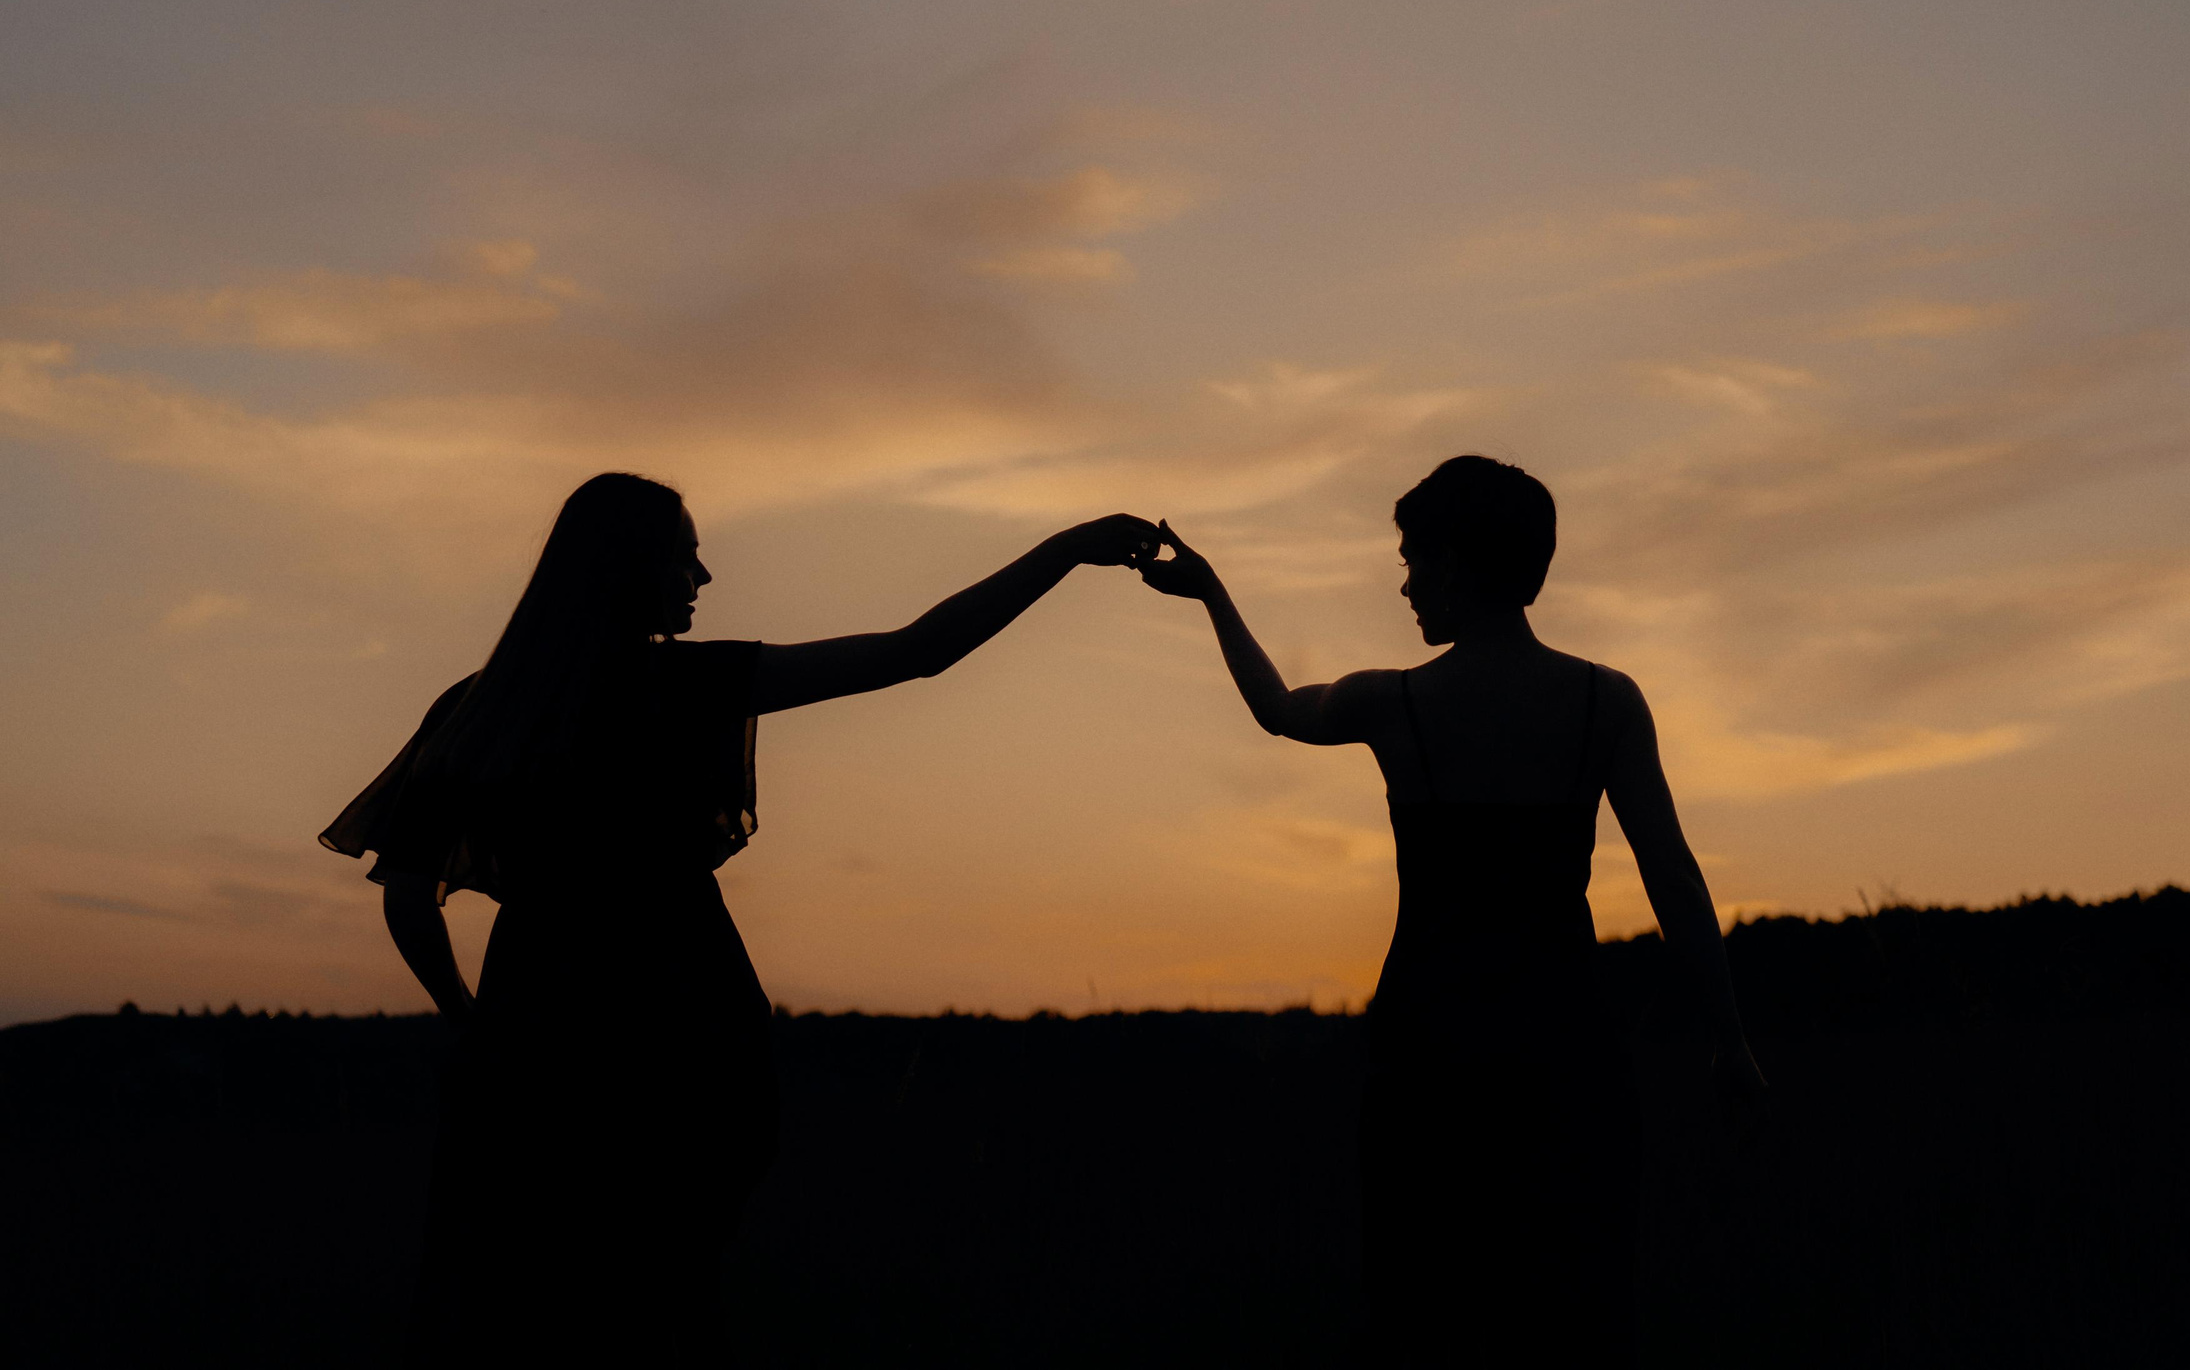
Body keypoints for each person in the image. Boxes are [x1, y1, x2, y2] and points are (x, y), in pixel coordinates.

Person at [321, 472, 1160, 1364]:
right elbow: (920, 649)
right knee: (668, 1292)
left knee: (521, 1300)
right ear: (632, 567)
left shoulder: (476, 708)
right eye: (685, 555)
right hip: (684, 1026)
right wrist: (1068, 549)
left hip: (536, 1029)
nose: (704, 576)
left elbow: (408, 897)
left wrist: (471, 1018)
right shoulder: (691, 683)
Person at [1139, 454, 1765, 1364]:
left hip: (1429, 1058)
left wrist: (1210, 593)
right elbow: (1673, 876)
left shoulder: (1397, 701)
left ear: (1462, 564)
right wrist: (1731, 1036)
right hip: (1567, 1055)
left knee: (1425, 1319)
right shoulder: (1606, 702)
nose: (1405, 585)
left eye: (1415, 559)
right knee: (1576, 1315)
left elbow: (1276, 708)